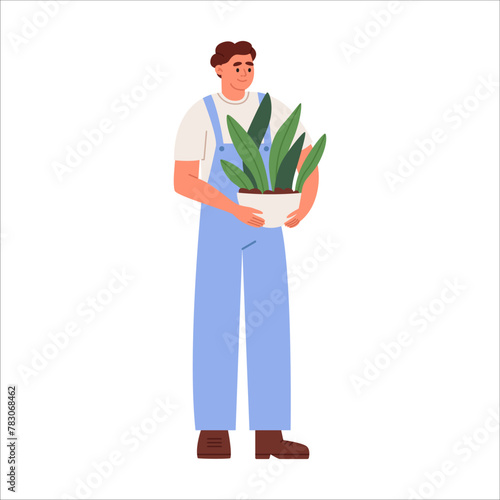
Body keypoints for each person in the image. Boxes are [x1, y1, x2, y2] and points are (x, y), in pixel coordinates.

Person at [174, 41, 318, 459]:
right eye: (237, 65)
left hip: (267, 224)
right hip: (221, 224)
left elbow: (307, 157)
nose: (245, 71)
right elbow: (184, 179)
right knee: (215, 320)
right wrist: (232, 207)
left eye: (250, 64)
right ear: (218, 68)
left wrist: (304, 205)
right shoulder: (200, 114)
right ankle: (214, 431)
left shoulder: (274, 110)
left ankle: (269, 435)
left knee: (270, 321)